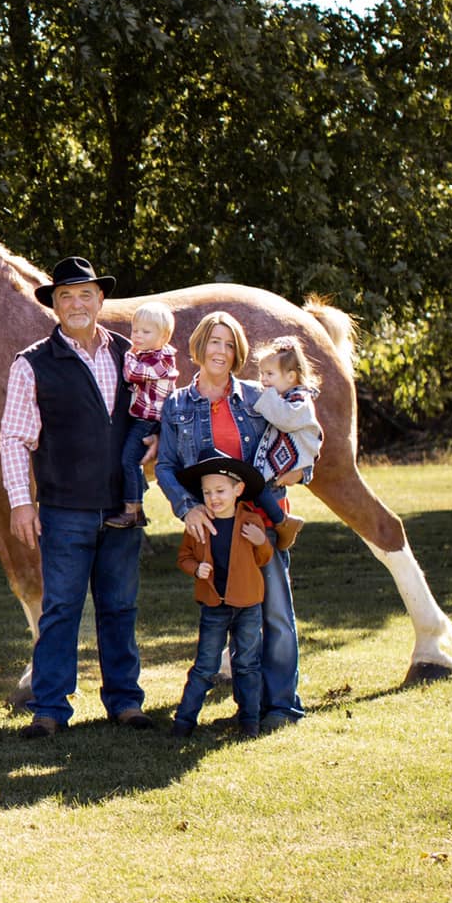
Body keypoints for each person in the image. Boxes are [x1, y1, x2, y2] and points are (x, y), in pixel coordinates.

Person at [0, 257, 155, 737]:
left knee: (120, 607)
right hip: (64, 510)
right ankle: (49, 709)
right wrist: (21, 502)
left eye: (85, 294)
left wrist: (158, 439)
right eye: (65, 296)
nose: (77, 304)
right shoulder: (32, 364)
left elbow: (154, 412)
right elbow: (13, 438)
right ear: (54, 306)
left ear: (101, 301)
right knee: (61, 609)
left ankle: (125, 703)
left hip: (122, 506)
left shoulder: (132, 357)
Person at [155, 311, 310, 731]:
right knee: (227, 612)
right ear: (200, 346)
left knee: (275, 613)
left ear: (237, 352)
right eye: (214, 342)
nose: (220, 351)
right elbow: (166, 465)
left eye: (229, 344)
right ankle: (249, 705)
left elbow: (301, 437)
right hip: (213, 531)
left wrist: (303, 473)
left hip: (259, 523)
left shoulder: (260, 398)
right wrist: (188, 507)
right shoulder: (177, 405)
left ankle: (280, 705)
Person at [171, 455, 277, 738]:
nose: (213, 498)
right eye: (207, 493)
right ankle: (184, 721)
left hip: (248, 604)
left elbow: (264, 558)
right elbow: (184, 557)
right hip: (214, 605)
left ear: (238, 490)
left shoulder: (251, 521)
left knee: (247, 664)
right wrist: (197, 568)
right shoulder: (199, 523)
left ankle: (249, 721)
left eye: (220, 491)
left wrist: (261, 541)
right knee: (205, 665)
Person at [105, 300, 178, 530]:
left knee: (129, 459)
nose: (137, 336)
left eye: (146, 332)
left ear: (164, 336)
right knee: (124, 455)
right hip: (142, 418)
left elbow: (132, 374)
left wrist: (127, 354)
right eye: (135, 330)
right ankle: (135, 491)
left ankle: (133, 509)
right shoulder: (147, 355)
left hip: (149, 421)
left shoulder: (160, 360)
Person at [250, 335, 323, 550]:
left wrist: (265, 397)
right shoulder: (284, 398)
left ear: (291, 376)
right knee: (258, 491)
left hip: (280, 472)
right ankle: (280, 524)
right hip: (278, 470)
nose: (263, 380)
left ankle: (284, 522)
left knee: (260, 489)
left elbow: (285, 420)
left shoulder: (299, 400)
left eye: (270, 374)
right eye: (261, 373)